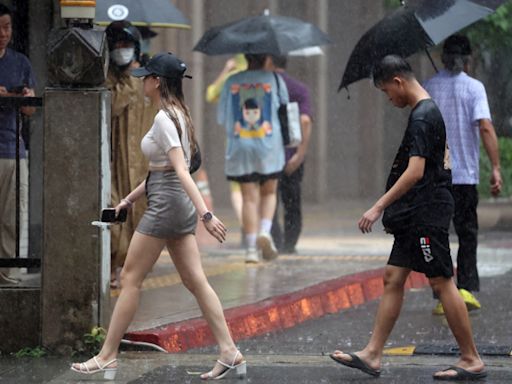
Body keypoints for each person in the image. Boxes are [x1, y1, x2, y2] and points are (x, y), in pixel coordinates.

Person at [71, 52, 246, 381]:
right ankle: (229, 351)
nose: (141, 80)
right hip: (173, 204)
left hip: (166, 208)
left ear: (157, 82)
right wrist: (128, 199)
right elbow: (160, 172)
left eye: (146, 76)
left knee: (130, 279)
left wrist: (206, 214)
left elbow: (181, 171)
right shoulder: (180, 114)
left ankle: (107, 355)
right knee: (196, 281)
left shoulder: (165, 119)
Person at [330, 55, 486, 381]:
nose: (389, 99)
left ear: (398, 82)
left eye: (387, 91)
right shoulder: (425, 112)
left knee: (442, 281)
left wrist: (377, 207)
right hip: (415, 212)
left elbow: (415, 172)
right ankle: (372, 354)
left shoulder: (423, 117)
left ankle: (471, 358)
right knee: (393, 277)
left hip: (427, 210)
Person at [423, 34, 502, 315]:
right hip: (464, 176)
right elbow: (485, 127)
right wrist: (495, 167)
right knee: (467, 234)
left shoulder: (429, 87)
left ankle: (442, 292)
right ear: (467, 61)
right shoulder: (474, 88)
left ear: (444, 59)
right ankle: (465, 288)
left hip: (435, 177)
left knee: (438, 233)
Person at [217, 54, 288, 263]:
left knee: (248, 198)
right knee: (269, 192)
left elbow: (222, 117)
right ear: (267, 57)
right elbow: (283, 107)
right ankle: (265, 231)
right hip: (269, 146)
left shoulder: (232, 81)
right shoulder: (274, 79)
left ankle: (250, 249)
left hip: (241, 146)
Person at [105, 20, 158, 288]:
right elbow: (112, 106)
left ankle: (130, 270)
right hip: (115, 162)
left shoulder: (147, 77)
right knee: (116, 215)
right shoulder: (109, 79)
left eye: (127, 45)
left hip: (142, 162)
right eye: (117, 45)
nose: (122, 50)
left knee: (140, 216)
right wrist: (127, 80)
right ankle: (115, 266)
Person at [0, 4, 36, 285]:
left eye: (7, 27)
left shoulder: (20, 62)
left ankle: (7, 273)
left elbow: (30, 109)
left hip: (13, 148)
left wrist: (18, 96)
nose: (3, 33)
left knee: (12, 216)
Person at [269, 55, 312, 254]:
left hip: (269, 155)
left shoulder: (266, 88)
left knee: (269, 199)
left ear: (269, 62)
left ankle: (275, 242)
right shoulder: (298, 88)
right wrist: (299, 154)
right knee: (292, 201)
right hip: (292, 155)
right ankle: (289, 244)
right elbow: (305, 121)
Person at [206, 54, 247, 247]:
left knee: (237, 189)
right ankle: (258, 228)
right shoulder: (260, 76)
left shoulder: (232, 78)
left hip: (235, 140)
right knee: (255, 188)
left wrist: (226, 69)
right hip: (261, 140)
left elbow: (211, 94)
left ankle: (246, 226)